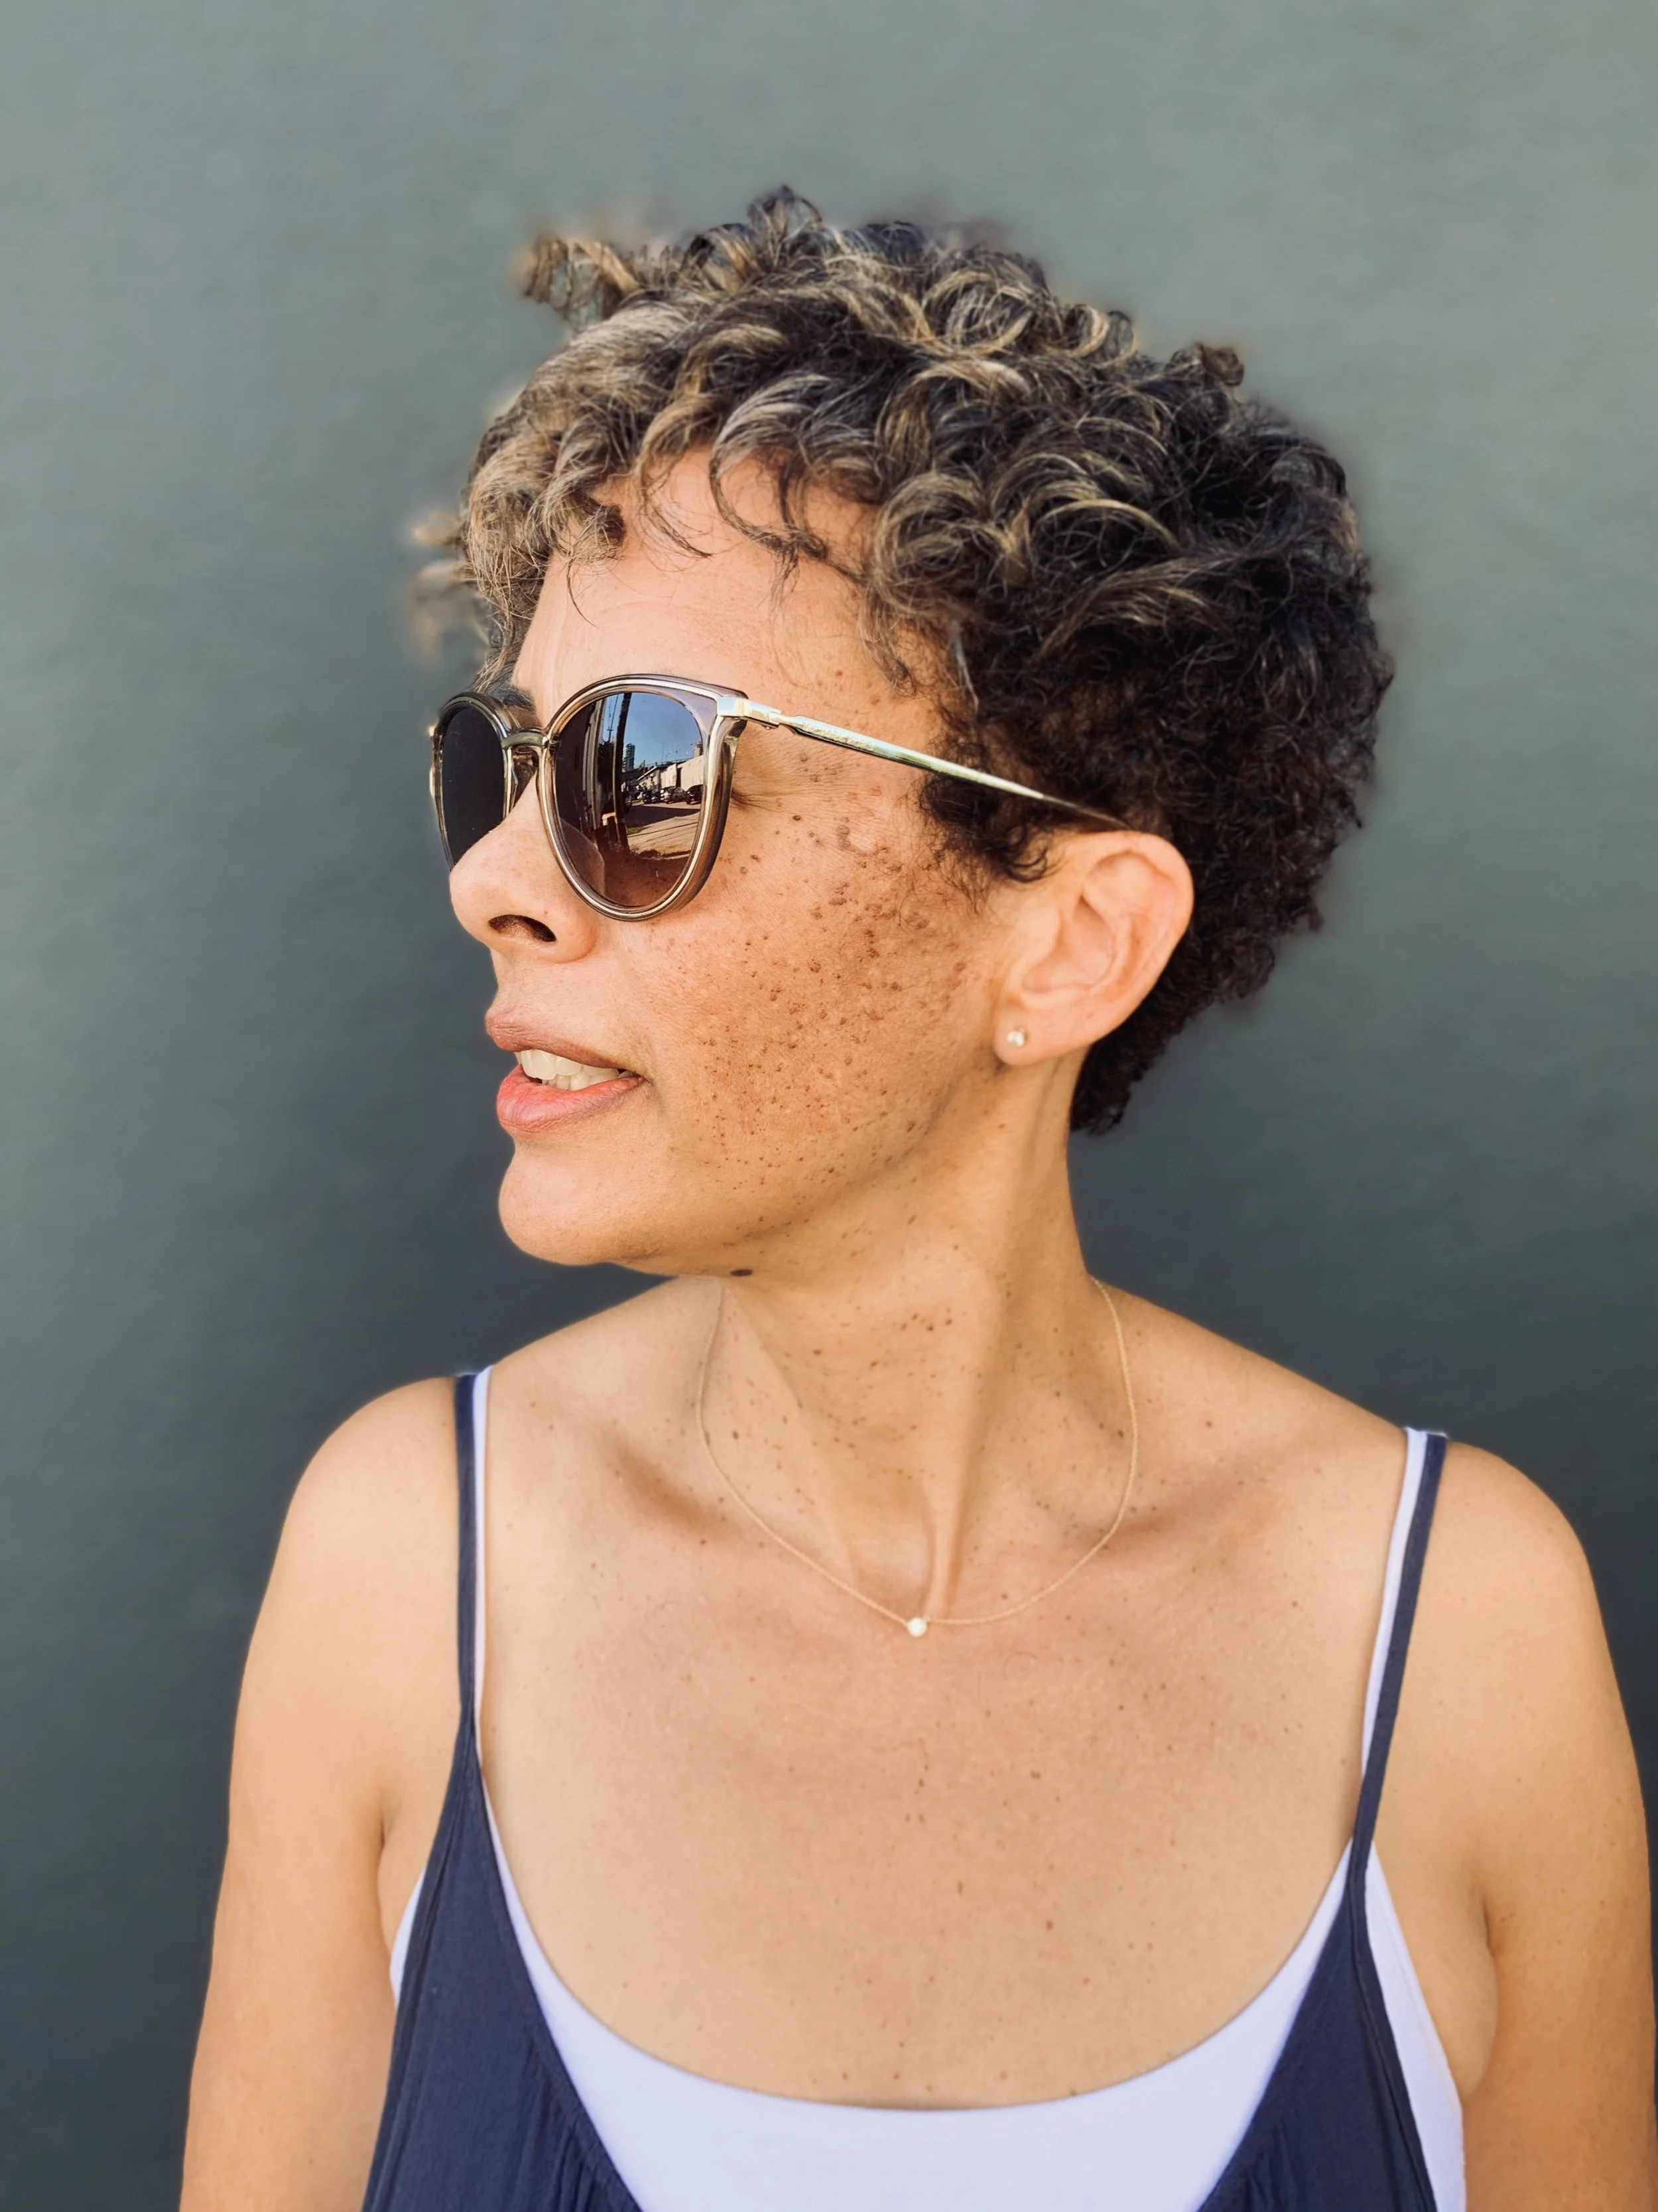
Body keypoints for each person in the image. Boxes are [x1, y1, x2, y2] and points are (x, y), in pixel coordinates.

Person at [178, 192, 1656, 2211]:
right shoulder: (404, 1575)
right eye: (505, 760)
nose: (493, 877)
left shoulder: (1455, 1628)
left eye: (643, 772)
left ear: (1065, 946)